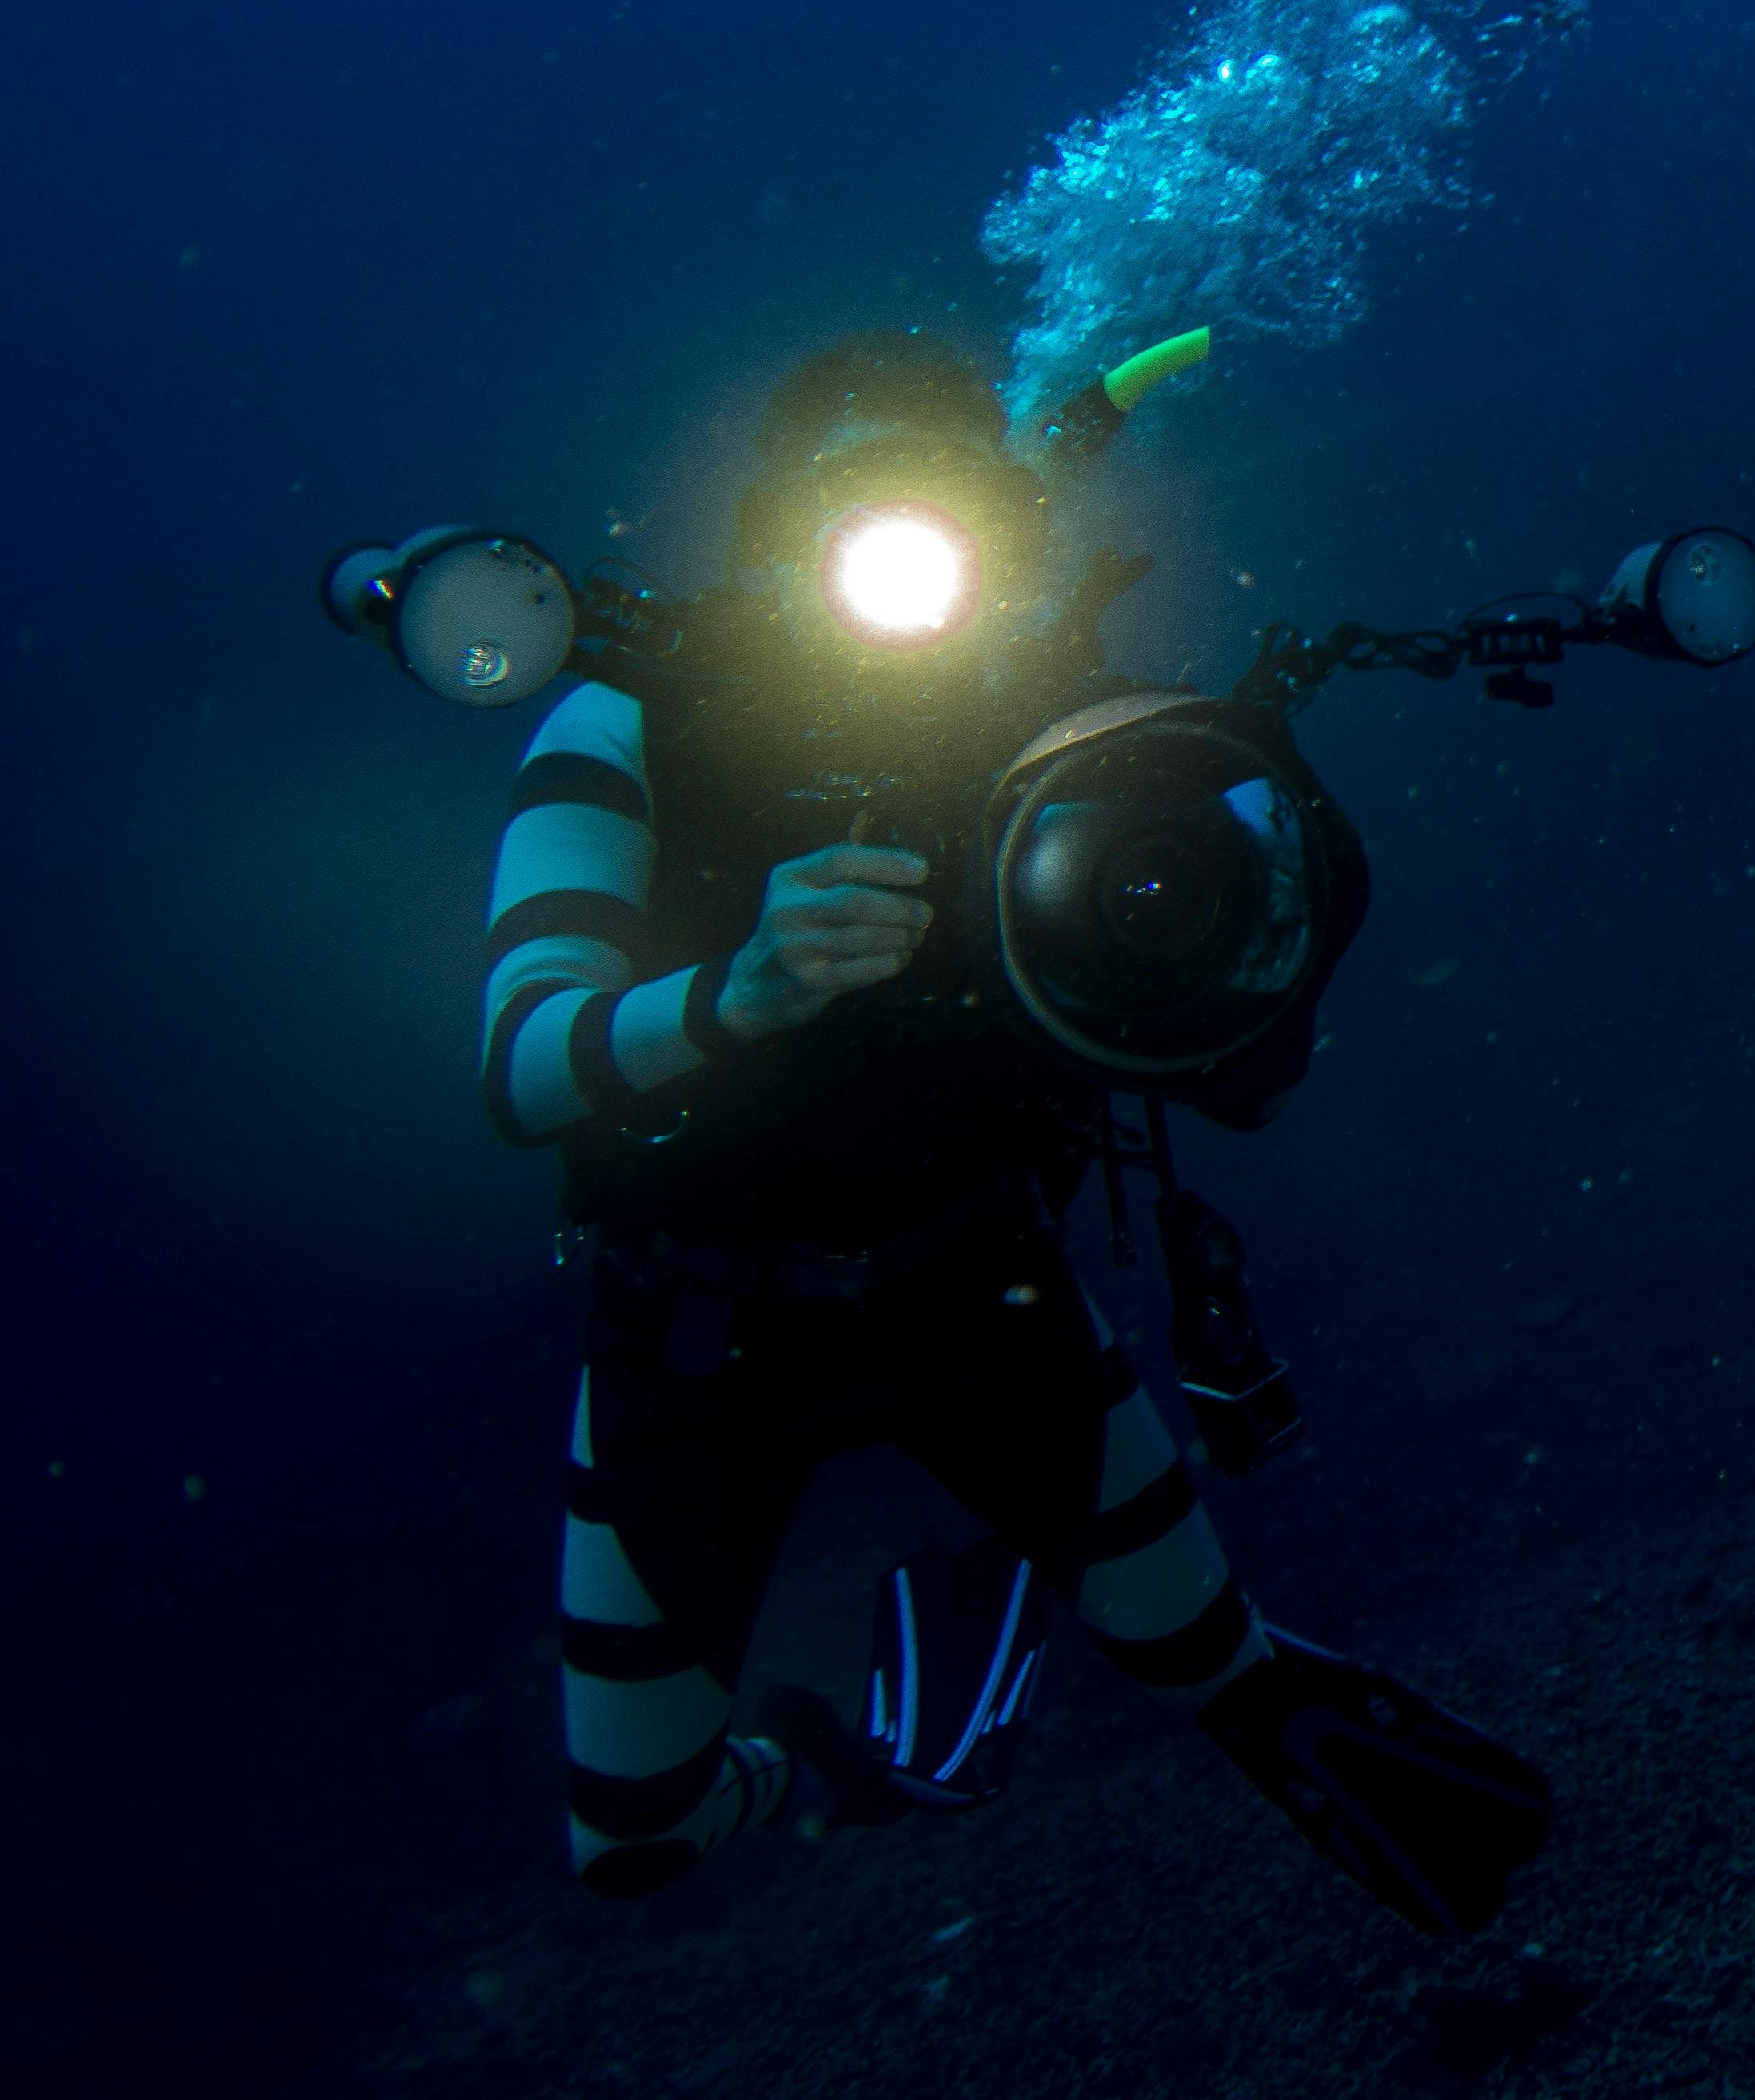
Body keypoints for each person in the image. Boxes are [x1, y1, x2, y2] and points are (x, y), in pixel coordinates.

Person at [482, 331, 1543, 1930]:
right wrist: (745, 989)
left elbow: (1240, 1055)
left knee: (1211, 1660)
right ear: (776, 523)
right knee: (632, 1841)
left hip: (979, 1289)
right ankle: (827, 1764)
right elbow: (520, 1063)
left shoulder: (1065, 730)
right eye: (847, 501)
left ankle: (1036, 1639)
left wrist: (1241, 906)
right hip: (690, 1328)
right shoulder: (624, 718)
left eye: (940, 498)